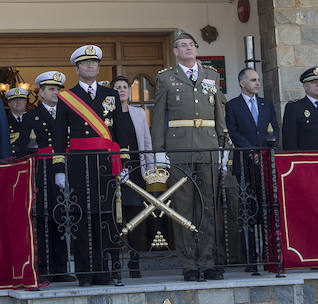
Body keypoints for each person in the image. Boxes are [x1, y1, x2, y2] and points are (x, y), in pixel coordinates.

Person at [151, 30, 227, 282]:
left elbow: (218, 112)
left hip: (208, 146)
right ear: (175, 51)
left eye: (191, 45)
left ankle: (208, 261)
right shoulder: (166, 77)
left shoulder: (211, 75)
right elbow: (158, 116)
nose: (188, 48)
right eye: (182, 45)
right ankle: (189, 264)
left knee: (208, 206)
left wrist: (223, 144)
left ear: (196, 48)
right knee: (182, 208)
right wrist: (159, 150)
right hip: (179, 148)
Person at [52, 45, 130, 286]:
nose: (90, 66)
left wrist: (124, 163)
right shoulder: (67, 97)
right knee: (82, 217)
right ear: (76, 69)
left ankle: (105, 271)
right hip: (79, 163)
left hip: (106, 162)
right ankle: (85, 273)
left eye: (94, 63)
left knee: (105, 217)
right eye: (85, 63)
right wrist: (59, 169)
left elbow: (121, 131)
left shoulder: (111, 94)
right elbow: (58, 136)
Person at [224, 68, 279, 272]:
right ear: (242, 83)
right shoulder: (233, 105)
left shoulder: (267, 104)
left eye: (258, 80)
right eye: (253, 80)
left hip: (265, 163)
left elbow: (275, 129)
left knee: (266, 209)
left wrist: (265, 150)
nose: (257, 83)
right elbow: (233, 132)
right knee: (248, 211)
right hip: (245, 163)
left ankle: (268, 255)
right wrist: (251, 151)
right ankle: (250, 258)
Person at [20, 71, 71, 280]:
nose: (55, 92)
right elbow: (22, 148)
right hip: (43, 171)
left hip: (67, 168)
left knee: (63, 217)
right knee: (44, 218)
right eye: (51, 89)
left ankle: (62, 268)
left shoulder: (68, 113)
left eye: (58, 89)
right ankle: (44, 268)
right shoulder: (31, 117)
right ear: (41, 92)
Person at [112, 75, 154, 278]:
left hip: (136, 170)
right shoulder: (107, 113)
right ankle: (114, 264)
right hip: (113, 171)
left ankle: (134, 263)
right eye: (117, 87)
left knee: (135, 217)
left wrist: (150, 169)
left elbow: (146, 142)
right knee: (115, 219)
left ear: (129, 91)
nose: (121, 90)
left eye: (124, 87)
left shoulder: (138, 113)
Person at [6, 86, 30, 155]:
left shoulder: (33, 120)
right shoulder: (4, 121)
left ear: (26, 102)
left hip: (29, 156)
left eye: (21, 100)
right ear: (9, 104)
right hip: (11, 157)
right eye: (14, 100)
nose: (18, 102)